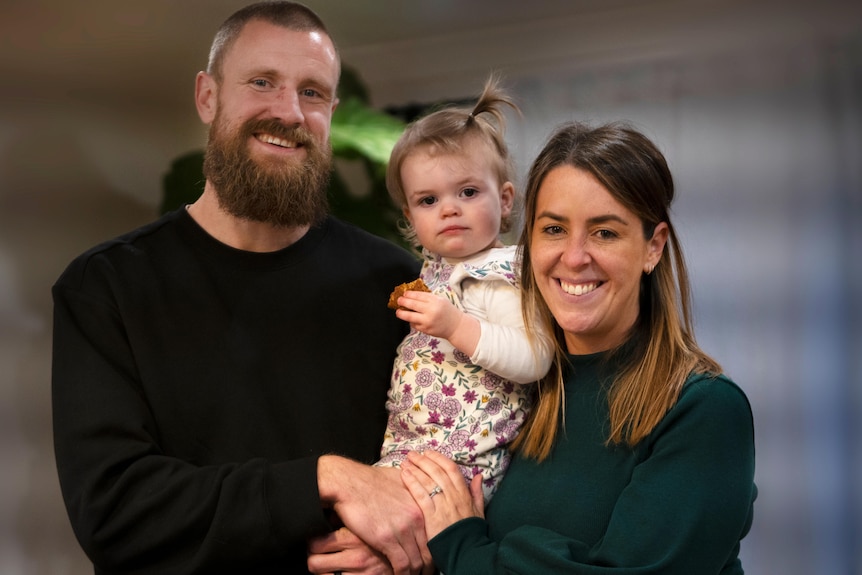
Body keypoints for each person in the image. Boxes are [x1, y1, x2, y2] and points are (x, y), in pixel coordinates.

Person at [51, 2, 432, 574]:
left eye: (312, 92)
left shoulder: (396, 285)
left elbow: (452, 452)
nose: (289, 112)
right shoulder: (104, 287)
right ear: (208, 97)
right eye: (262, 82)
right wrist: (323, 479)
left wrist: (412, 543)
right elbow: (115, 511)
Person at [397, 121, 757, 574]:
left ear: (653, 247)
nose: (574, 257)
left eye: (605, 232)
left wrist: (462, 547)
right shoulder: (515, 389)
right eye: (553, 229)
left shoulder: (704, 410)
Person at [375, 76, 554, 501]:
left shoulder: (500, 272)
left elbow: (534, 357)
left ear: (505, 199)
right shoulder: (432, 272)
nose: (450, 208)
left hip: (468, 458)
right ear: (411, 216)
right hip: (410, 448)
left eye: (468, 192)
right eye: (428, 201)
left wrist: (455, 325)